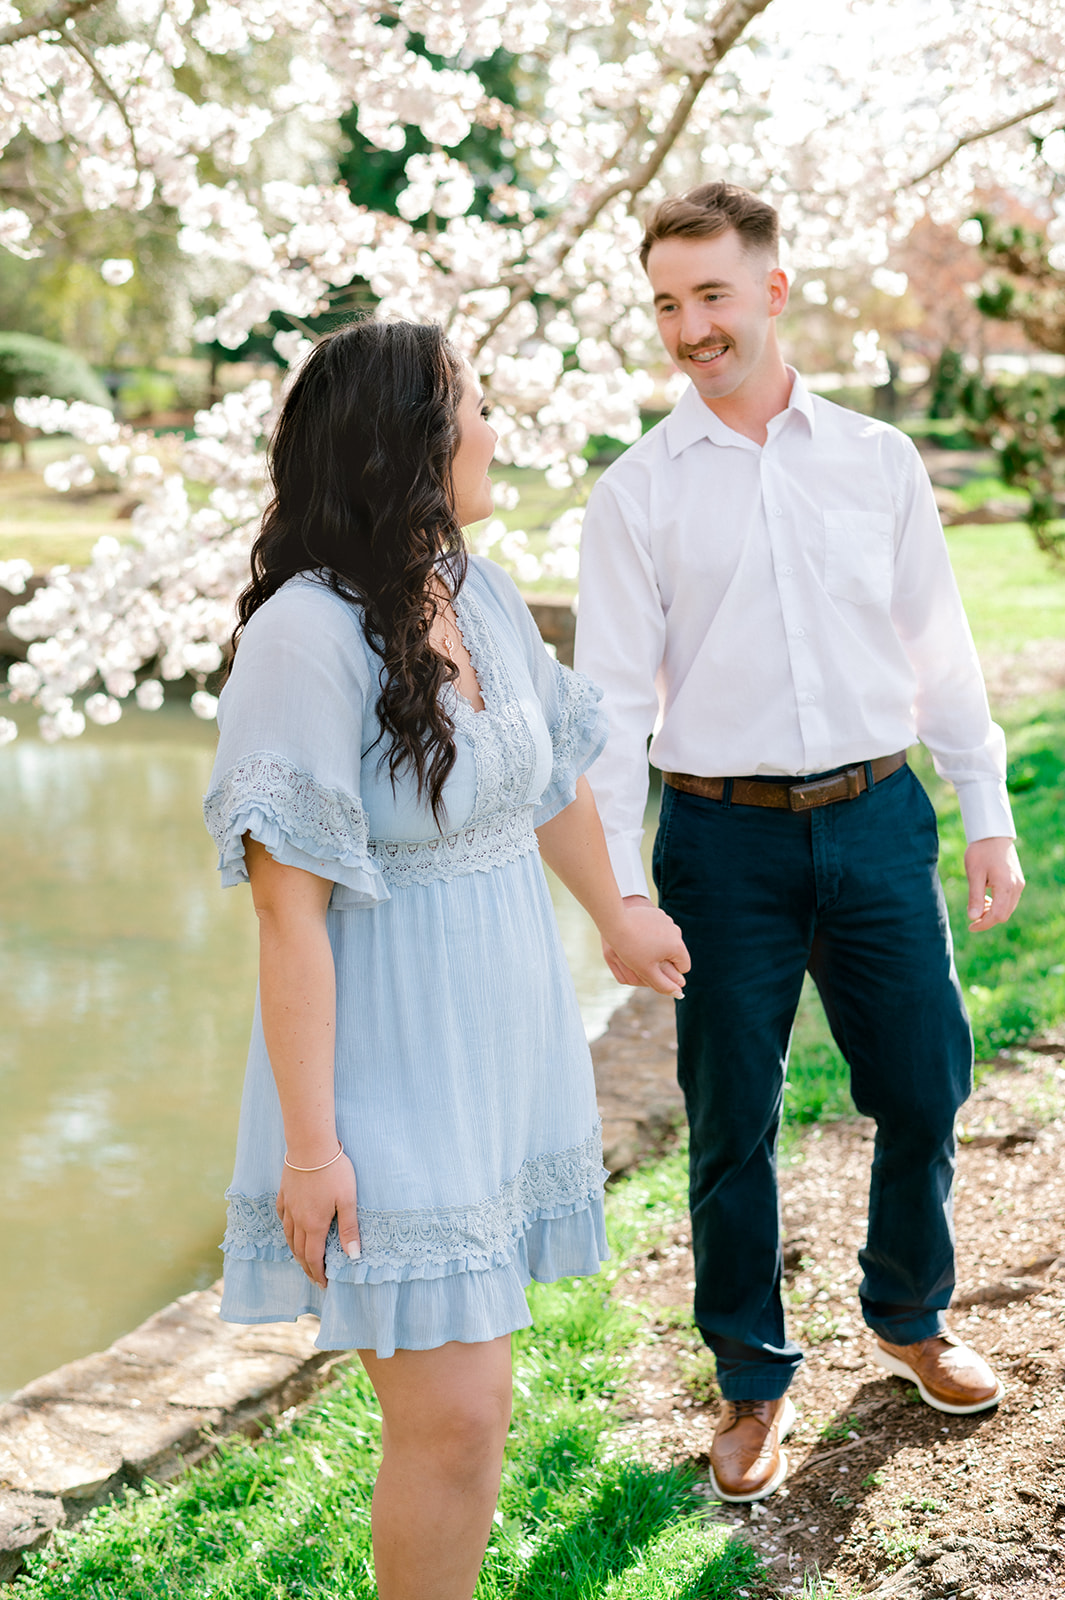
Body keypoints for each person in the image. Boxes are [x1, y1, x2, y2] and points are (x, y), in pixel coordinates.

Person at [202, 318, 689, 1600]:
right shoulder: (303, 637)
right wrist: (314, 1148)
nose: (492, 429)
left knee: (475, 1410)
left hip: (500, 1041)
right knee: (458, 1412)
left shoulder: (469, 586)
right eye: (472, 405)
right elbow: (285, 914)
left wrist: (616, 912)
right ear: (407, 440)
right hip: (384, 1064)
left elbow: (553, 779)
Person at [574, 181, 1025, 1505]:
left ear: (772, 290)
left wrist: (983, 812)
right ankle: (751, 1378)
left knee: (927, 1080)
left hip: (880, 819)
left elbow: (937, 647)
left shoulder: (876, 461)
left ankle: (908, 1312)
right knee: (731, 1123)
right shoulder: (634, 494)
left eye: (710, 295)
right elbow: (605, 711)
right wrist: (620, 891)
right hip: (720, 842)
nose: (687, 327)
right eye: (664, 303)